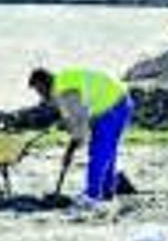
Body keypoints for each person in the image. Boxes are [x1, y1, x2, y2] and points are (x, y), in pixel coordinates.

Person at [28, 67, 135, 205]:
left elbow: (80, 126)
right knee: (108, 151)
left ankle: (92, 195)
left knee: (99, 152)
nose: (40, 95)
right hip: (121, 101)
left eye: (39, 89)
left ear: (46, 82)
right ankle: (107, 191)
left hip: (112, 105)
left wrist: (70, 150)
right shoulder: (63, 82)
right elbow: (78, 115)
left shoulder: (65, 90)